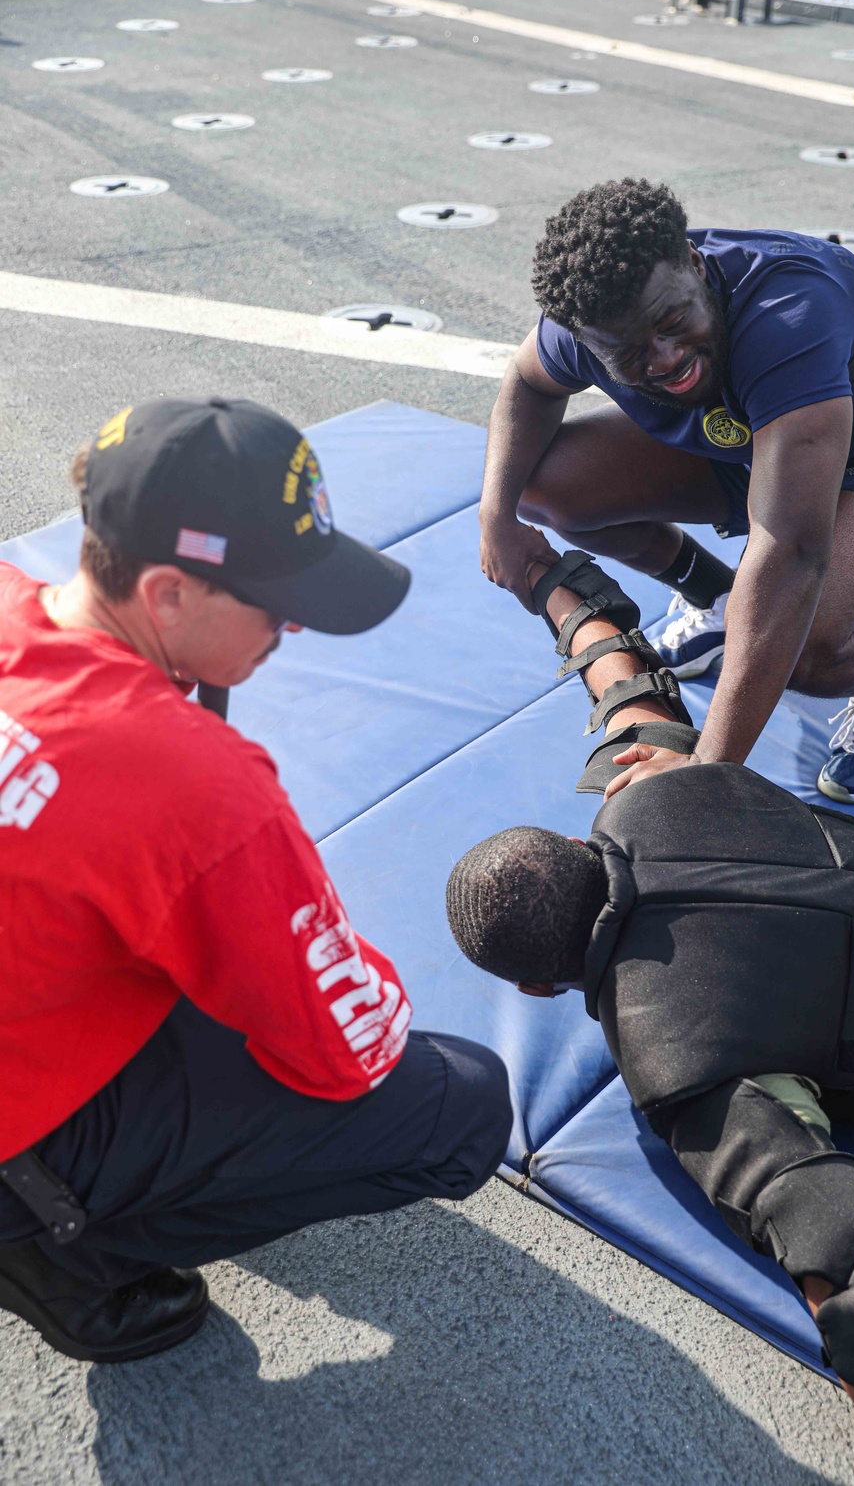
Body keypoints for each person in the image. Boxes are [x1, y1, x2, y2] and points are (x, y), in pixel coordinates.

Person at [446, 544, 854, 1486]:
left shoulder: (679, 1053)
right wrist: (553, 585)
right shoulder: (666, 791)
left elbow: (849, 1253)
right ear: (581, 841)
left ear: (540, 990)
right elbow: (628, 689)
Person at [0, 397, 513, 1364]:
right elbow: (343, 1048)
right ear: (165, 596)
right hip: (17, 1142)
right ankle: (66, 1247)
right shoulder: (192, 787)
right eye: (275, 604)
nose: (294, 629)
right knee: (464, 1108)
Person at [478, 177, 854, 804]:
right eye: (632, 352)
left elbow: (791, 556)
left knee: (799, 636)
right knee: (549, 489)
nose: (664, 358)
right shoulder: (589, 320)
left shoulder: (789, 311)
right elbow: (529, 384)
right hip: (753, 440)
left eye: (673, 322)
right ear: (587, 340)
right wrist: (495, 515)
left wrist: (706, 768)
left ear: (694, 264)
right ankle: (715, 601)